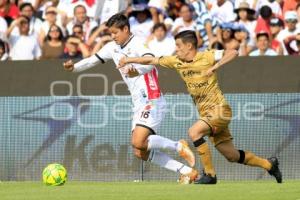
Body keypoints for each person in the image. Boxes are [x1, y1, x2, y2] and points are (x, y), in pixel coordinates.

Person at [119, 30, 283, 184]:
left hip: (220, 110)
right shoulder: (177, 61)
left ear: (189, 46)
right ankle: (269, 164)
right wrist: (129, 60)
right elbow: (151, 60)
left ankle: (210, 174)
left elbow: (233, 52)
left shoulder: (208, 56)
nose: (176, 49)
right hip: (207, 115)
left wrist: (214, 67)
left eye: (178, 46)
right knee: (231, 155)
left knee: (194, 132)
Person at [63, 13, 198, 184]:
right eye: (110, 33)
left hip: (152, 97)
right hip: (138, 102)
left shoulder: (138, 44)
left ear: (125, 29)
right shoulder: (111, 47)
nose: (112, 36)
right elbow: (91, 61)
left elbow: (150, 62)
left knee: (138, 141)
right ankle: (187, 171)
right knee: (139, 151)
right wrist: (73, 68)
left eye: (115, 33)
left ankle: (178, 145)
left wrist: (137, 70)